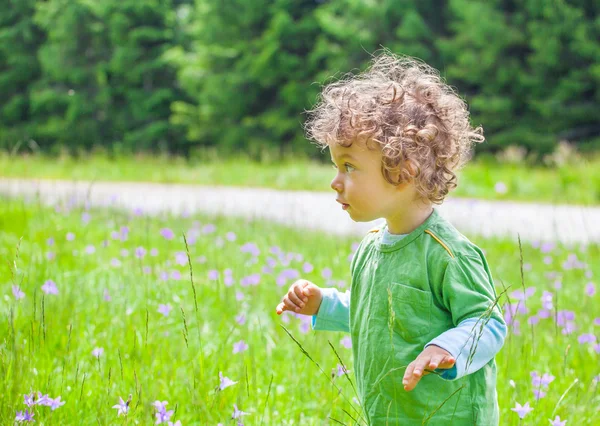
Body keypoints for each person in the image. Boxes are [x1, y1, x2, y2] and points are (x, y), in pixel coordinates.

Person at [275, 51, 506, 425]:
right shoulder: (371, 248)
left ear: (402, 170)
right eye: (336, 166)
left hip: (449, 416)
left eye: (348, 166)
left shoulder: (448, 253)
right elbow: (376, 314)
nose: (335, 181)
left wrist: (443, 347)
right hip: (391, 414)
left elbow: (488, 322)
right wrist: (324, 304)